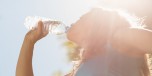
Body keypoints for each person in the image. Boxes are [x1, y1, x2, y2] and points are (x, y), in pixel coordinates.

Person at [16, 8, 152, 76]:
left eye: (81, 18)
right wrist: (29, 42)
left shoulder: (120, 39)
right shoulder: (79, 70)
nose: (74, 21)